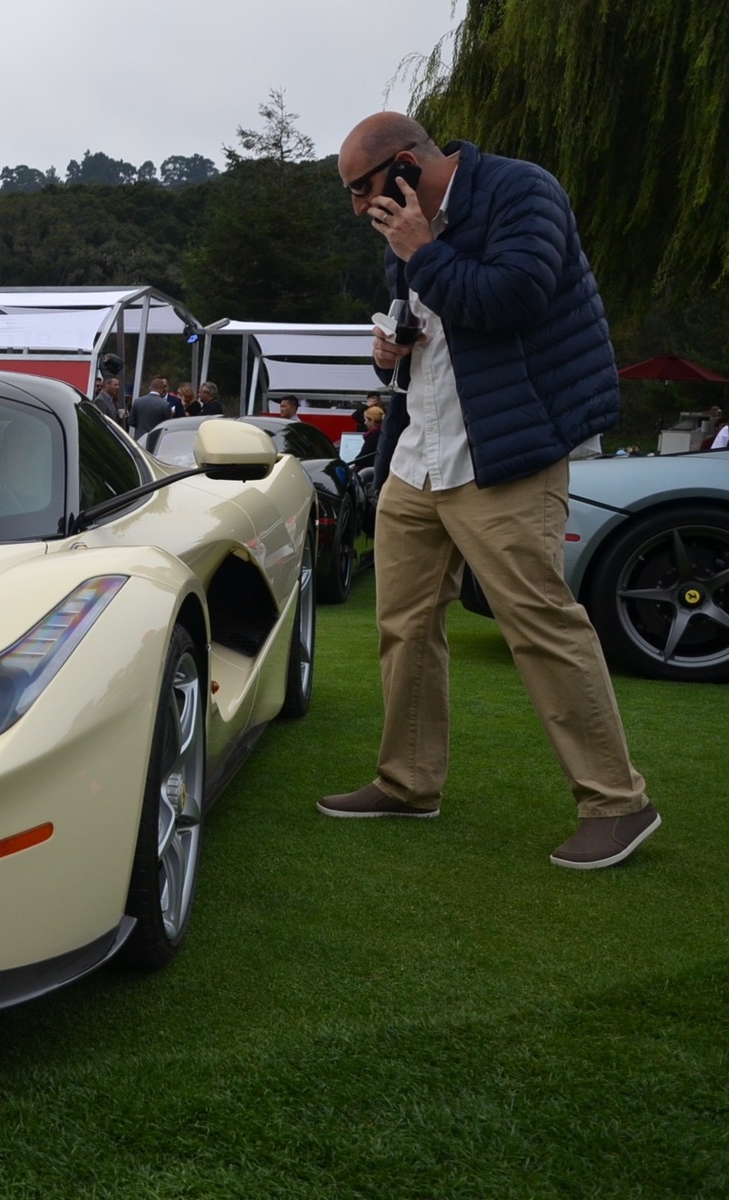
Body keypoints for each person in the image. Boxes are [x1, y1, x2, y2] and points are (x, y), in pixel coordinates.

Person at [319, 110, 658, 869]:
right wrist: (391, 347)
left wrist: (422, 251)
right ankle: (406, 783)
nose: (357, 207)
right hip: (418, 450)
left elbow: (513, 298)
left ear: (405, 162)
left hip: (504, 451)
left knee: (539, 622)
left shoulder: (519, 189)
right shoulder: (404, 226)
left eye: (361, 187)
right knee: (403, 625)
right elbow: (432, 326)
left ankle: (616, 802)